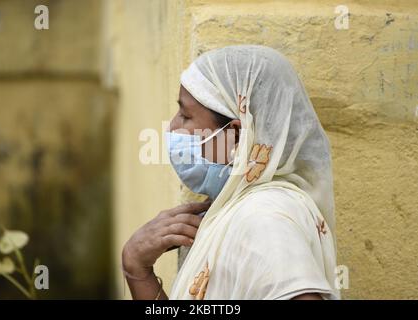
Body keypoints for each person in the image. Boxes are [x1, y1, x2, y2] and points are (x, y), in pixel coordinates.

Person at [122, 45, 340, 300]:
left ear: (235, 135)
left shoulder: (265, 217)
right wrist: (136, 268)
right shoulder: (237, 210)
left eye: (185, 115)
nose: (172, 127)